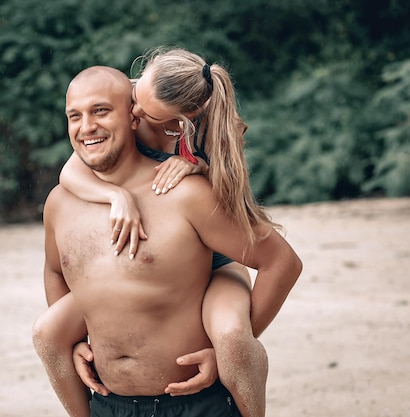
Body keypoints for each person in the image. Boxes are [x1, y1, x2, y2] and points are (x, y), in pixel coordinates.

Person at [38, 65, 301, 416]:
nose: (87, 125)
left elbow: (279, 259)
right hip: (108, 403)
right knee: (46, 332)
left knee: (232, 338)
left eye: (102, 110)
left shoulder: (194, 170)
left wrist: (196, 167)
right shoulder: (62, 198)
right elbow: (56, 269)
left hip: (217, 270)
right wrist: (114, 195)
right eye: (75, 116)